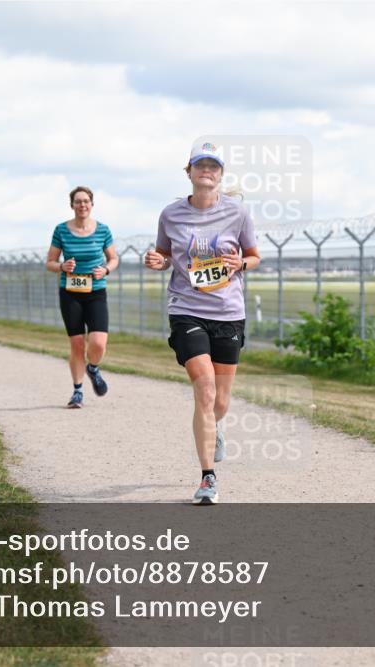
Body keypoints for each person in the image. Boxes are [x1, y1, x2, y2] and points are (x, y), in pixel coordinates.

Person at [144, 141, 260, 505]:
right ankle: (208, 477)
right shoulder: (172, 214)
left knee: (220, 402)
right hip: (186, 309)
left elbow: (254, 255)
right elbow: (163, 254)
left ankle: (216, 426)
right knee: (205, 388)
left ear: (221, 174)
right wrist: (156, 260)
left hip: (228, 313)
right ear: (189, 172)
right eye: (200, 165)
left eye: (213, 166)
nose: (206, 171)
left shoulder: (238, 213)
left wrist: (240, 264)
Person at [45, 186, 119, 408]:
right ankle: (77, 391)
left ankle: (93, 368)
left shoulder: (103, 230)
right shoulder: (61, 230)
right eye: (78, 201)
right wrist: (62, 266)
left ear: (92, 204)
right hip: (70, 292)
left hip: (96, 290)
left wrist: (105, 270)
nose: (82, 205)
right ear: (72, 205)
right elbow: (49, 263)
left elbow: (114, 259)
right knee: (77, 344)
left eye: (86, 201)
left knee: (97, 343)